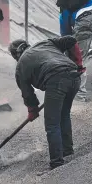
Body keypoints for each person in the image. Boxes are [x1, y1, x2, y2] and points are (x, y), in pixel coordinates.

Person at [8, 36, 85, 170]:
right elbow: (71, 40)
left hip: (56, 80)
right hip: (74, 76)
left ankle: (56, 163)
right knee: (63, 115)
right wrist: (78, 63)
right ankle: (67, 150)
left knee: (52, 123)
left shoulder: (20, 67)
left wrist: (32, 111)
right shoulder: (45, 43)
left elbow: (28, 94)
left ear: (15, 55)